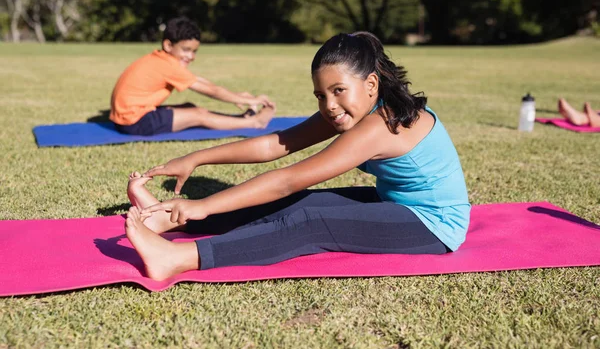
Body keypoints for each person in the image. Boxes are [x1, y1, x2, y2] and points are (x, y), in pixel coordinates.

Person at [124, 32, 471, 281]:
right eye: (321, 95)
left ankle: (177, 258)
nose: (329, 106)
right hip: (393, 201)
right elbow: (275, 144)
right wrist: (197, 158)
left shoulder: (379, 125)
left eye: (338, 91)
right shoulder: (355, 110)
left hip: (432, 225)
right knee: (298, 205)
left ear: (370, 84)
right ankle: (171, 221)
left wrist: (205, 204)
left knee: (309, 222)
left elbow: (287, 179)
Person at [109, 17, 276, 136]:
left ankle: (239, 120)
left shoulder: (162, 59)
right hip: (135, 123)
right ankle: (254, 123)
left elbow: (200, 81)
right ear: (168, 45)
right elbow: (211, 91)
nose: (191, 56)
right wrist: (251, 101)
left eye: (194, 51)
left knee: (188, 106)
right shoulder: (167, 65)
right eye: (186, 50)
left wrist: (236, 97)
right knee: (198, 114)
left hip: (127, 119)